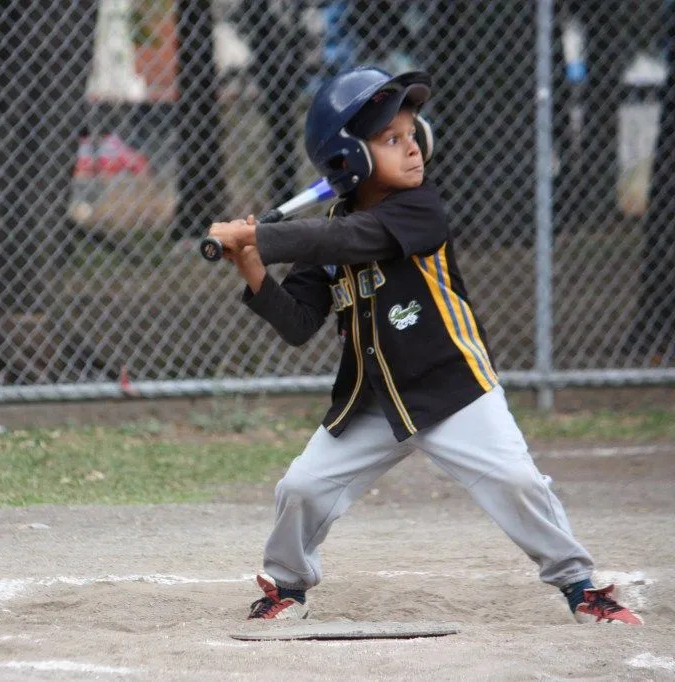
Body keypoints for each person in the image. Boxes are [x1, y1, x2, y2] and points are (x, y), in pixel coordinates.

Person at [206, 66, 643, 625]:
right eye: (392, 140)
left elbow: (348, 239)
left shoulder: (418, 208)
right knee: (303, 486)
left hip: (452, 386)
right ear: (349, 160)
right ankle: (287, 588)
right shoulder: (328, 232)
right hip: (374, 400)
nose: (413, 149)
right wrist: (252, 266)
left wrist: (258, 237)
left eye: (413, 135)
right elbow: (297, 323)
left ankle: (580, 587)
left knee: (516, 480)